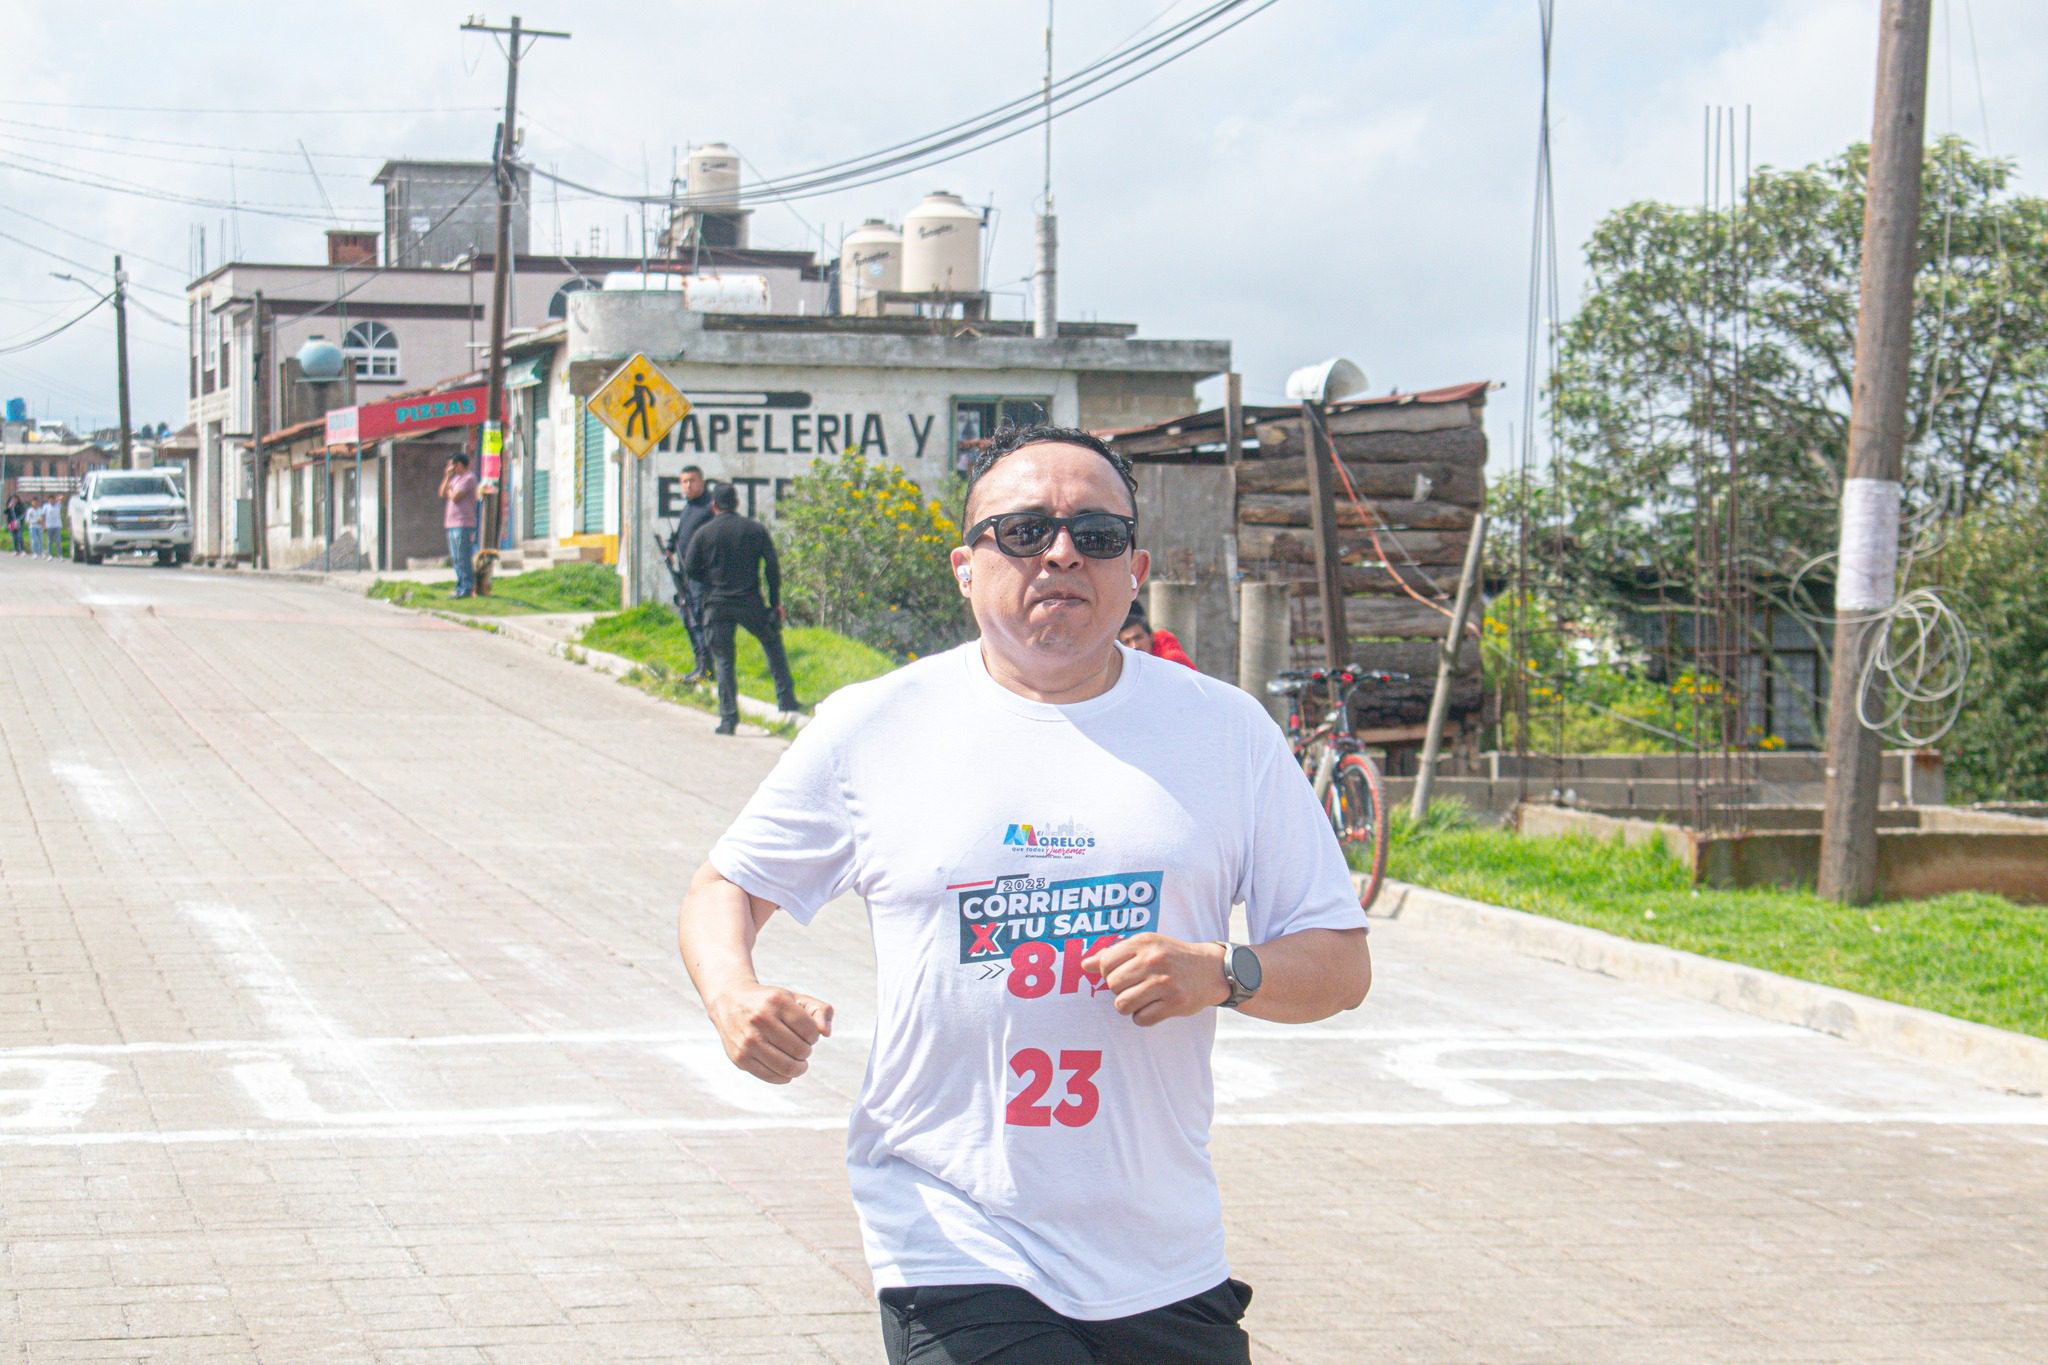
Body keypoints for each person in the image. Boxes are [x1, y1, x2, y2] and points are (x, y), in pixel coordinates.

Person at [678, 424, 1372, 1363]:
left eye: (1095, 534)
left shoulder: (1225, 732)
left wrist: (1225, 968)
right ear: (966, 567)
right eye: (1022, 531)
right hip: (951, 1230)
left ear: (1135, 568)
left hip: (1162, 1251)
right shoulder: (876, 725)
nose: (1059, 553)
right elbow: (726, 887)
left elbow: (1339, 960)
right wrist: (734, 997)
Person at [681, 482, 802, 735]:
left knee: (724, 661)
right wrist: (775, 601)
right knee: (772, 644)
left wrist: (710, 582)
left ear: (714, 506)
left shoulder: (704, 533)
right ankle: (786, 700)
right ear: (737, 504)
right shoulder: (754, 530)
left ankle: (728, 719)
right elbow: (772, 568)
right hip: (750, 602)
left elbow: (690, 568)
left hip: (717, 604)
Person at [662, 464, 716, 684]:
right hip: (686, 574)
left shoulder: (709, 507)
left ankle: (707, 668)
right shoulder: (689, 508)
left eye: (692, 480)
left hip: (702, 576)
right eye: (684, 481)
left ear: (702, 481)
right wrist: (670, 547)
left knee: (698, 619)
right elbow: (682, 535)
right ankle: (699, 664)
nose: (688, 485)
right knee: (688, 618)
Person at [438, 453, 480, 599]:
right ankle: (460, 586)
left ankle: (467, 587)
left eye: (452, 465)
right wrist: (447, 478)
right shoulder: (454, 479)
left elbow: (456, 497)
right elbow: (442, 492)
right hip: (451, 523)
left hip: (463, 523)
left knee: (463, 557)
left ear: (460, 465)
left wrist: (450, 491)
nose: (450, 468)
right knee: (455, 558)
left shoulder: (469, 478)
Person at [1118, 602, 1197, 670]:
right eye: (1127, 642)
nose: (1134, 646)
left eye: (1138, 638)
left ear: (1151, 637)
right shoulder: (1129, 666)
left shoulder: (1170, 660)